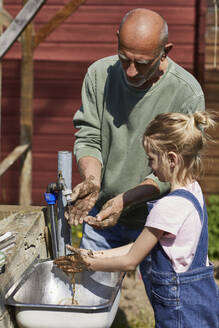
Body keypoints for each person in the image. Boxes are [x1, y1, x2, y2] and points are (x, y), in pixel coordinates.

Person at [65, 8, 205, 299]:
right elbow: (89, 136)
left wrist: (128, 199)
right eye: (124, 59)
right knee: (88, 299)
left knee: (167, 302)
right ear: (116, 40)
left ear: (165, 52)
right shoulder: (98, 75)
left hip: (158, 220)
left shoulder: (186, 93)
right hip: (101, 214)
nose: (130, 72)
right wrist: (92, 180)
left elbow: (180, 169)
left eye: (141, 64)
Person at [55, 111, 219, 328]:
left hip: (180, 311)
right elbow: (140, 246)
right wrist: (94, 253)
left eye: (151, 159)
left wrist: (88, 263)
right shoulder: (194, 192)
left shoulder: (167, 207)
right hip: (200, 299)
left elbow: (131, 260)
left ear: (171, 159)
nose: (150, 166)